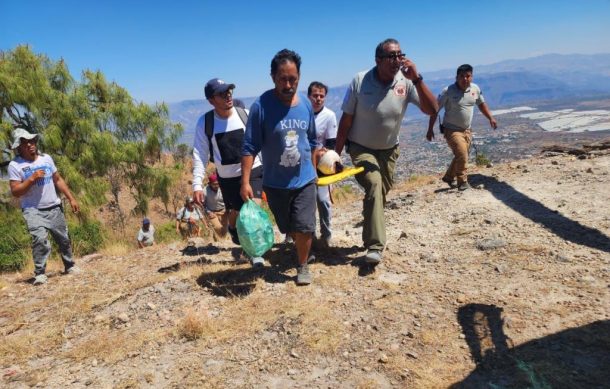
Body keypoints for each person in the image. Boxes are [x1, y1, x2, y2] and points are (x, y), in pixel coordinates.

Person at [334, 38, 438, 265]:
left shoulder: (406, 81)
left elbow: (432, 109)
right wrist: (336, 155)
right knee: (374, 183)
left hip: (389, 150)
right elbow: (346, 120)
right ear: (378, 60)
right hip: (361, 148)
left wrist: (417, 79)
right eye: (391, 56)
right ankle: (375, 246)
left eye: (400, 55)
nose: (397, 60)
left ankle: (370, 226)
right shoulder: (361, 81)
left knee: (380, 193)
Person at [241, 49, 322, 285]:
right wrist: (245, 181)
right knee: (288, 226)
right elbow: (249, 146)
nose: (288, 85)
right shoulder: (261, 106)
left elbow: (313, 139)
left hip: (304, 178)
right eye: (283, 79)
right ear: (273, 77)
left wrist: (314, 171)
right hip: (275, 183)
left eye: (293, 79)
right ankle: (296, 243)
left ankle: (303, 265)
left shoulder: (306, 104)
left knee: (304, 224)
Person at [192, 78, 265, 267]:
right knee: (237, 212)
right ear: (211, 100)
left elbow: (261, 144)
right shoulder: (205, 123)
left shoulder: (246, 115)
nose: (228, 95)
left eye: (229, 91)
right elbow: (200, 154)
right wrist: (197, 184)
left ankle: (255, 254)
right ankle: (233, 228)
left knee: (251, 213)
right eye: (222, 93)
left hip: (254, 171)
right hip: (227, 179)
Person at [8, 128, 81, 285]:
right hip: (32, 209)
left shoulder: (46, 158)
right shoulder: (15, 165)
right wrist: (31, 179)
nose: (30, 145)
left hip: (53, 207)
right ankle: (40, 274)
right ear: (18, 147)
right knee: (39, 239)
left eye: (32, 141)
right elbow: (15, 191)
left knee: (63, 238)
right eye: (25, 142)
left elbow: (57, 179)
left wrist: (71, 198)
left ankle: (69, 266)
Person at [427, 64, 497, 190]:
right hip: (451, 129)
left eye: (468, 76)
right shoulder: (448, 91)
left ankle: (448, 177)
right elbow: (435, 110)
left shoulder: (474, 89)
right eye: (462, 76)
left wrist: (490, 118)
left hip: (467, 130)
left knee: (461, 155)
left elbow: (481, 104)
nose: (465, 79)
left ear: (472, 76)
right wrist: (430, 128)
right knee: (462, 154)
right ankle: (462, 183)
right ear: (456, 77)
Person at [308, 81, 337, 248]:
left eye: (321, 96)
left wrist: (319, 155)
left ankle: (326, 236)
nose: (318, 99)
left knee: (323, 200)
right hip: (303, 165)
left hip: (322, 166)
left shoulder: (329, 115)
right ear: (309, 96)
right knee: (307, 202)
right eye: (315, 95)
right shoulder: (303, 114)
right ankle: (308, 236)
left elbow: (331, 144)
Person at [203, 172, 229, 238]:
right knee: (218, 228)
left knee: (225, 229)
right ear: (210, 184)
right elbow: (203, 205)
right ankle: (220, 240)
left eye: (218, 184)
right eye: (214, 184)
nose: (216, 186)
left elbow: (228, 200)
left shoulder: (224, 188)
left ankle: (223, 243)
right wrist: (209, 212)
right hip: (212, 212)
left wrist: (228, 209)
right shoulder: (205, 191)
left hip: (224, 211)